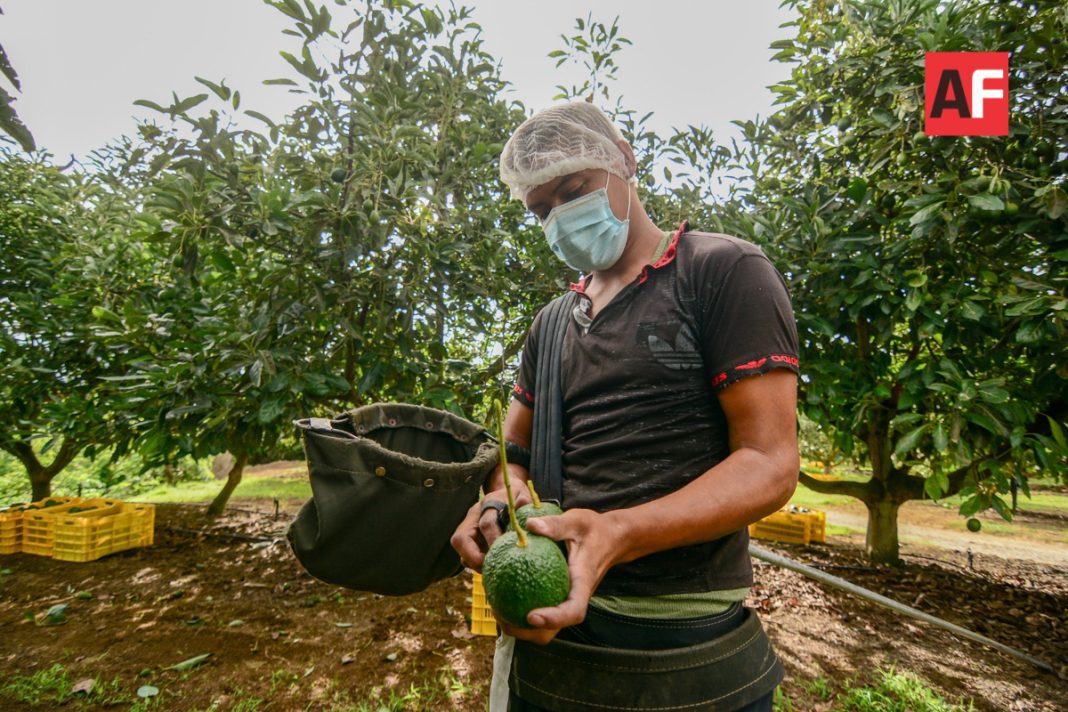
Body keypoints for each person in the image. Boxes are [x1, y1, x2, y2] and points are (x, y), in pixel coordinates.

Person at [451, 102, 800, 712]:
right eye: (541, 210)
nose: (560, 217)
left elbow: (769, 462)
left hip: (686, 644)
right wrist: (500, 503)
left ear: (624, 160)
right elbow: (511, 455)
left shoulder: (722, 272)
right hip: (557, 638)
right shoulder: (551, 325)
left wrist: (619, 533)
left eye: (573, 191)